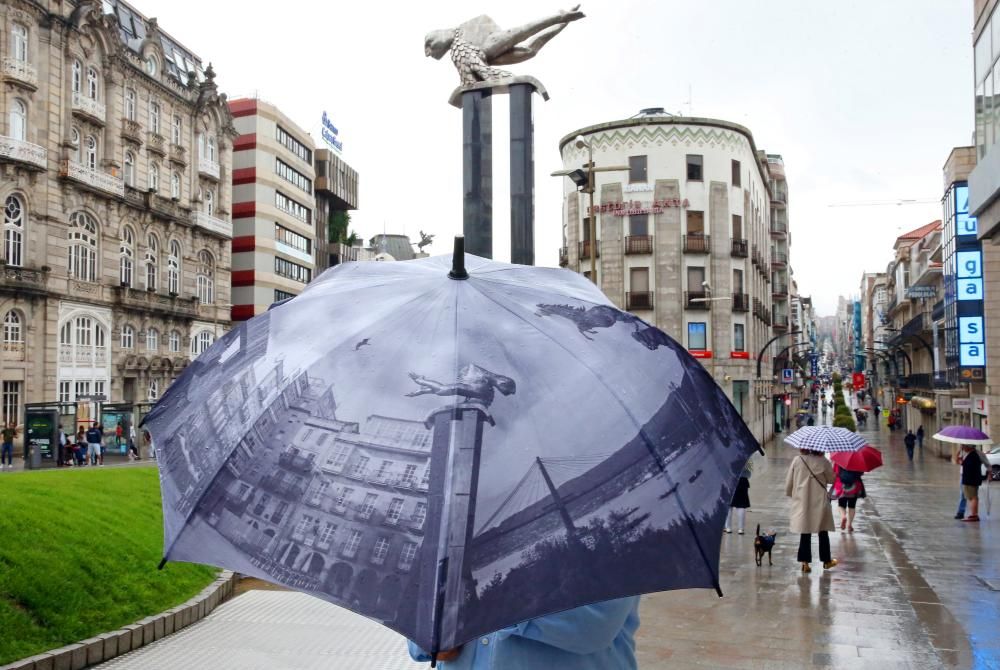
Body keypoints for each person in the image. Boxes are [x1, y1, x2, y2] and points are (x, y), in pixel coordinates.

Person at [407, 596, 640, 669]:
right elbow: (419, 626)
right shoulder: (453, 512)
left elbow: (592, 626)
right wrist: (431, 638)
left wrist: (485, 601)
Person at [785, 449, 837, 572]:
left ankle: (805, 563)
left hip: (803, 501)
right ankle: (826, 561)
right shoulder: (824, 462)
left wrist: (791, 493)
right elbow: (832, 480)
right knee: (823, 531)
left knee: (805, 530)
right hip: (820, 502)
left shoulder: (798, 460)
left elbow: (789, 482)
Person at [833, 464, 865, 532]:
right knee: (852, 506)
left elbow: (835, 472)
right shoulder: (858, 461)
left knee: (841, 505)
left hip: (841, 486)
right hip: (854, 486)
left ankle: (843, 517)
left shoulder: (839, 461)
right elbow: (861, 473)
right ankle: (849, 524)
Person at [960, 444, 986, 522]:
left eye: (963, 446)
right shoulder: (975, 454)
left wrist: (962, 461)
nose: (962, 447)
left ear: (969, 447)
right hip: (974, 479)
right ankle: (974, 515)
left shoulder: (972, 455)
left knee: (972, 497)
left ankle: (974, 515)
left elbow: (969, 467)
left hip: (970, 480)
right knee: (973, 497)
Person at [725, 461, 752, 534]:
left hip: (729, 480)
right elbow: (749, 472)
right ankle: (741, 529)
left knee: (728, 505)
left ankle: (728, 527)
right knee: (741, 505)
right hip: (742, 481)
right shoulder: (745, 455)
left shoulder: (728, 454)